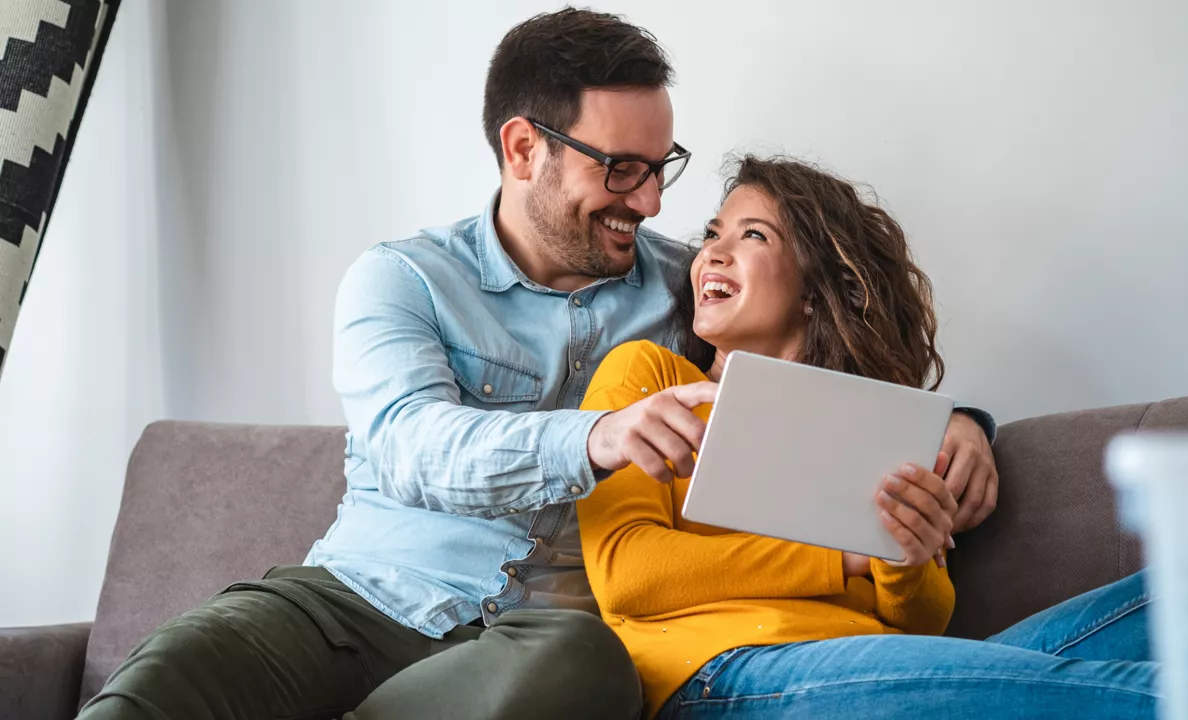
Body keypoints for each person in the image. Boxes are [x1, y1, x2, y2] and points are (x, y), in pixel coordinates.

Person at [79, 9, 999, 720]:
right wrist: (592, 438)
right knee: (169, 674)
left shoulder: (686, 286)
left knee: (586, 670)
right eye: (620, 167)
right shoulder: (402, 279)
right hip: (361, 600)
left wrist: (959, 423)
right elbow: (410, 446)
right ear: (524, 148)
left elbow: (812, 333)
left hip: (543, 646)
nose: (649, 199)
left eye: (659, 165)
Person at [577, 155, 1157, 719]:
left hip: (878, 665)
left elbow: (920, 620)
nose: (711, 254)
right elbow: (628, 575)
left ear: (812, 287)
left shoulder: (873, 421)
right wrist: (845, 555)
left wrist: (903, 558)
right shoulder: (650, 377)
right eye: (712, 234)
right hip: (720, 672)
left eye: (752, 235)